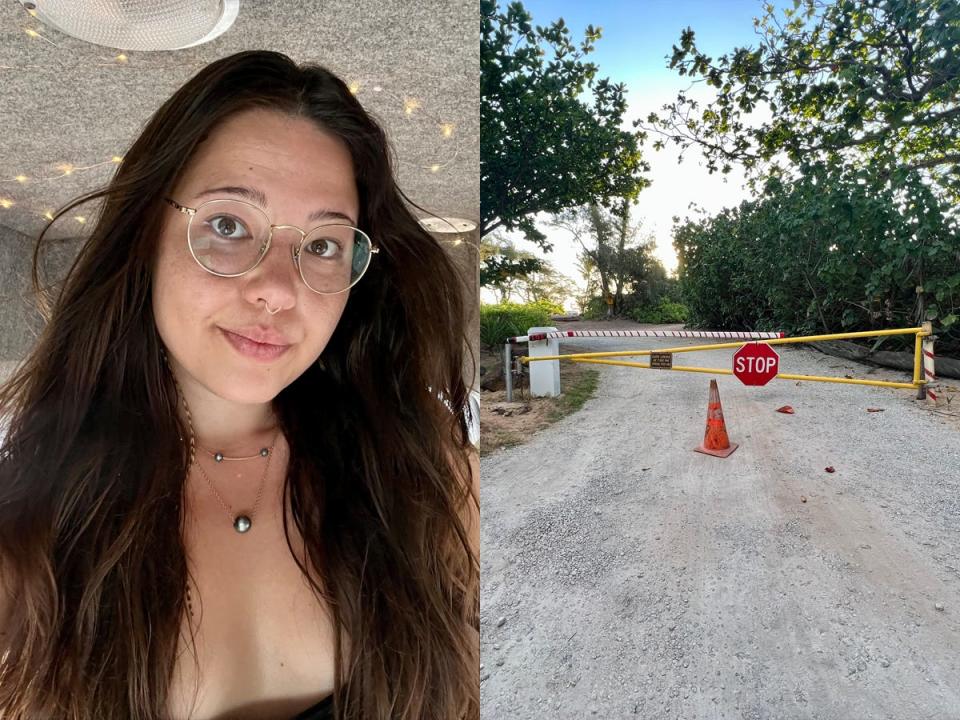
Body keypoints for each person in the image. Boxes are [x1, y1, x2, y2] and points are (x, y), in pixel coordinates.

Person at [0, 50, 479, 720]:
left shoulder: (428, 479)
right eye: (229, 225)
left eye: (321, 245)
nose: (279, 291)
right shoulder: (26, 528)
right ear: (146, 234)